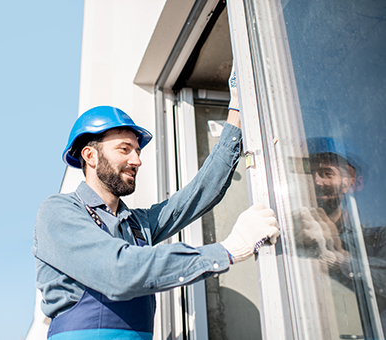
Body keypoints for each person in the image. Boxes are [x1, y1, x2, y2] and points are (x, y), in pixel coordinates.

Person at [32, 71, 280, 340]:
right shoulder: (58, 212)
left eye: (138, 151)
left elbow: (199, 194)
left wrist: (237, 113)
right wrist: (228, 250)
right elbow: (119, 271)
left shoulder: (138, 225)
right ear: (90, 156)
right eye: (125, 149)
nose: (137, 160)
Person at [297, 137, 386, 335]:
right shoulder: (296, 230)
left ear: (354, 183)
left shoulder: (377, 237)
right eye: (311, 173)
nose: (316, 181)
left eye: (327, 173)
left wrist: (340, 261)